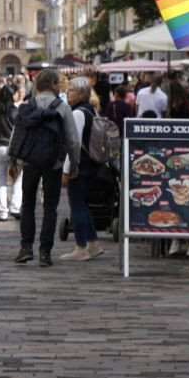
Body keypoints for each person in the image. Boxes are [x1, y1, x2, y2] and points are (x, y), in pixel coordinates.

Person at [7, 67, 80, 267]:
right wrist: (74, 164)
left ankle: (26, 247)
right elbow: (73, 141)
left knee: (27, 205)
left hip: (30, 162)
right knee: (50, 208)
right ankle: (45, 252)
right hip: (54, 164)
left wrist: (13, 162)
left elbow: (16, 136)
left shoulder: (27, 105)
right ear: (54, 85)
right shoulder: (62, 108)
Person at [60, 77, 105, 262]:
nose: (68, 93)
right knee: (82, 204)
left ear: (80, 93)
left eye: (71, 90)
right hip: (91, 164)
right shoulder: (92, 110)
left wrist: (67, 170)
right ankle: (93, 243)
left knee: (76, 205)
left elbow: (74, 144)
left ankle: (81, 247)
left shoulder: (78, 113)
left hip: (80, 166)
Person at [0, 78, 23, 221]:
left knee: (0, 181)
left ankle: (2, 212)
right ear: (12, 95)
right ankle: (15, 208)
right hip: (13, 150)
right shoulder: (16, 112)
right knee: (17, 179)